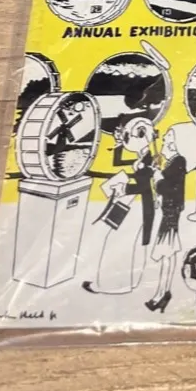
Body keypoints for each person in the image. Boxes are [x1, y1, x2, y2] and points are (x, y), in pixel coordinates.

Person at [83, 116, 158, 295]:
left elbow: (144, 186)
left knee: (119, 239)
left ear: (141, 135)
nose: (125, 141)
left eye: (126, 136)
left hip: (140, 204)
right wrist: (117, 144)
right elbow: (118, 162)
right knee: (127, 240)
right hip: (135, 202)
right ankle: (127, 282)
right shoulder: (144, 155)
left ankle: (115, 285)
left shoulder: (150, 159)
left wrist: (124, 188)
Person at [145, 122, 196, 313]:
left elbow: (168, 188)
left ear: (177, 142)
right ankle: (163, 292)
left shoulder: (179, 162)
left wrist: (157, 177)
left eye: (169, 136)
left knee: (166, 253)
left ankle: (161, 294)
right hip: (169, 211)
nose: (164, 139)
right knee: (167, 254)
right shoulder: (173, 162)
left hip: (171, 214)